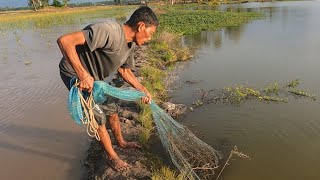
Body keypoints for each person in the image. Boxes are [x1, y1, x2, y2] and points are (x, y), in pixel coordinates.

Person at [57, 6, 158, 171]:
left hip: (95, 78)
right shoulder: (108, 30)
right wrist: (82, 74)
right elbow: (65, 41)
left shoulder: (130, 45)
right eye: (151, 33)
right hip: (74, 73)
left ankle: (121, 142)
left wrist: (142, 89)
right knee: (97, 117)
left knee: (112, 109)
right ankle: (112, 157)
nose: (150, 38)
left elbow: (124, 70)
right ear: (141, 26)